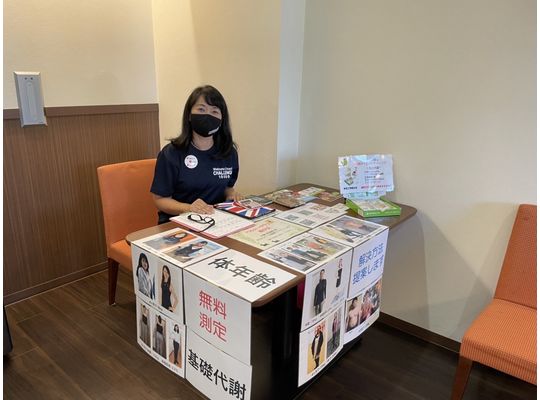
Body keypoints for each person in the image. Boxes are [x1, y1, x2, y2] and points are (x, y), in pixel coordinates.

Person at [151, 85, 240, 224]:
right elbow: (160, 200)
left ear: (222, 119)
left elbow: (227, 187)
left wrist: (231, 194)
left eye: (215, 111)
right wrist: (189, 208)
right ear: (189, 115)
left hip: (216, 221)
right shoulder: (171, 153)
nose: (208, 115)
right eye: (201, 109)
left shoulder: (228, 152)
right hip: (178, 223)